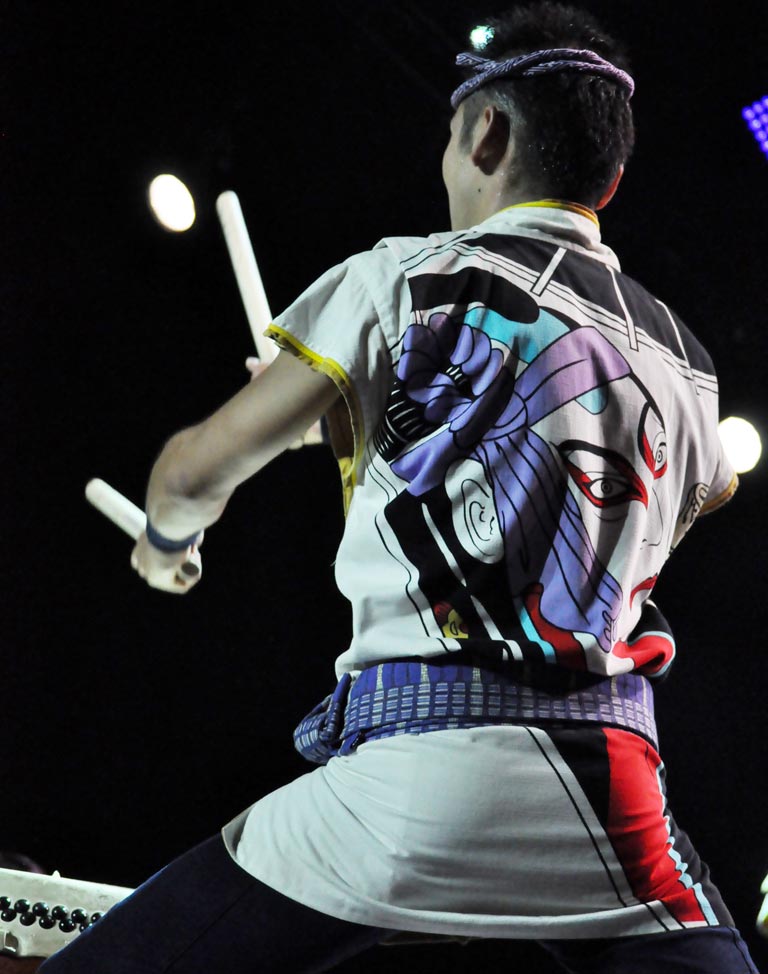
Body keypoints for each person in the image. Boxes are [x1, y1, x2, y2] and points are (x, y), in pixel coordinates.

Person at [35, 2, 759, 972]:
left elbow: (191, 473)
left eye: (452, 136)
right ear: (611, 175)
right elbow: (665, 497)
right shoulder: (691, 365)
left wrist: (167, 542)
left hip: (413, 782)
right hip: (615, 800)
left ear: (486, 133)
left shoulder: (403, 279)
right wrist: (363, 425)